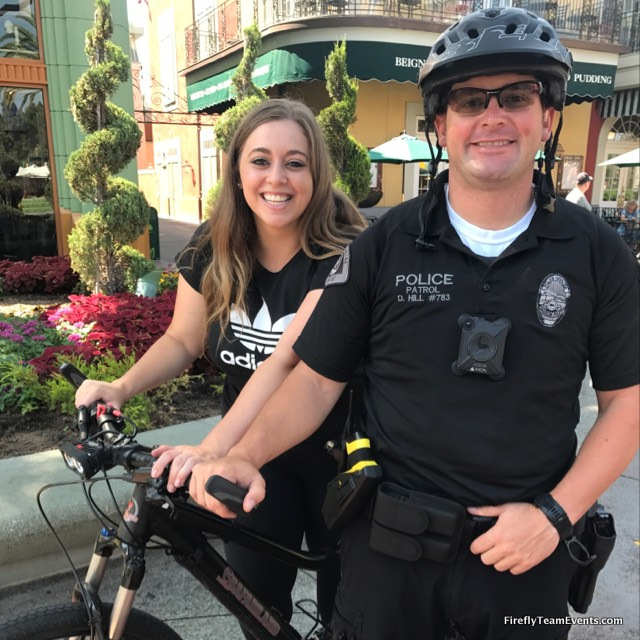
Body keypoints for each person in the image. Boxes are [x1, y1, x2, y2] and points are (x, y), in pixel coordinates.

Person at [185, 8, 639, 640]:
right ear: (440, 126)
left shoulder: (598, 253)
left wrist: (557, 515)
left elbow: (626, 403)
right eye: (469, 101)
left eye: (516, 96)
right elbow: (314, 379)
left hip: (525, 556)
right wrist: (244, 456)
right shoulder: (382, 245)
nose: (492, 116)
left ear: (548, 119)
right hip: (389, 557)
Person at [75, 98, 368, 637]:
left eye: (295, 163)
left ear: (317, 174)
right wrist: (120, 387)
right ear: (236, 170)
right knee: (257, 609)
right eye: (260, 161)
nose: (276, 178)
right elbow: (183, 339)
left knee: (347, 615)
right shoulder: (214, 244)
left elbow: (287, 364)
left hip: (338, 457)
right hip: (255, 455)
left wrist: (211, 450)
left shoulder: (344, 253)